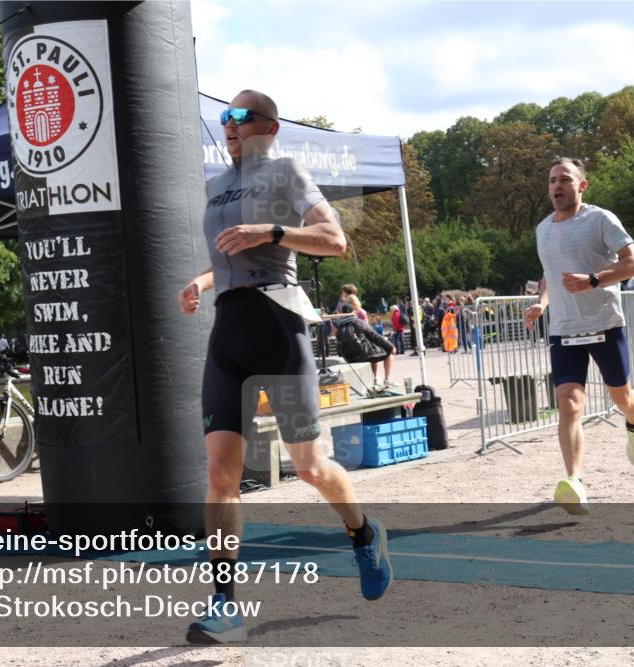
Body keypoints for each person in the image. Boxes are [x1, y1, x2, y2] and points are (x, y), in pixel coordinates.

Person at [177, 90, 391, 644]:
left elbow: (335, 239)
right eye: (224, 117)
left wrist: (271, 232)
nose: (228, 124)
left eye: (240, 116)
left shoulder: (286, 170)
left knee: (310, 466)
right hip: (230, 329)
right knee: (221, 475)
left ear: (268, 127)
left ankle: (364, 533)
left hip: (279, 324)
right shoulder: (215, 184)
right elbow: (229, 251)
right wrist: (202, 282)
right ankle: (224, 605)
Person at [524, 157, 634, 515]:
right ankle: (575, 482)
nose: (556, 186)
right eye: (551, 180)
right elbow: (549, 273)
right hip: (564, 330)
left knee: (623, 397)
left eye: (564, 179)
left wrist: (593, 280)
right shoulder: (543, 229)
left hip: (604, 325)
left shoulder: (600, 219)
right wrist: (541, 303)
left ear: (582, 185)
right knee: (568, 404)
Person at [335, 303, 395, 392]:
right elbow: (374, 335)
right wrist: (391, 346)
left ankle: (375, 379)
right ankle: (387, 379)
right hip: (363, 355)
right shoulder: (358, 322)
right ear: (353, 311)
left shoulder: (339, 326)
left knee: (373, 352)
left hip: (349, 357)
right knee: (388, 353)